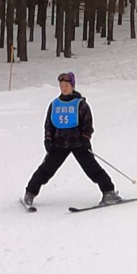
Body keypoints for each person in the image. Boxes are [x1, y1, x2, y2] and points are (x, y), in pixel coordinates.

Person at [23, 72, 123, 206]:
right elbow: (49, 124)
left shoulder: (80, 104)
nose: (64, 88)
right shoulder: (55, 104)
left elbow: (87, 124)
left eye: (66, 85)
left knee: (92, 168)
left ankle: (109, 192)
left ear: (72, 86)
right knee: (46, 169)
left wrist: (85, 139)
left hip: (78, 143)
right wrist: (47, 139)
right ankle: (30, 193)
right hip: (59, 143)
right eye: (61, 85)